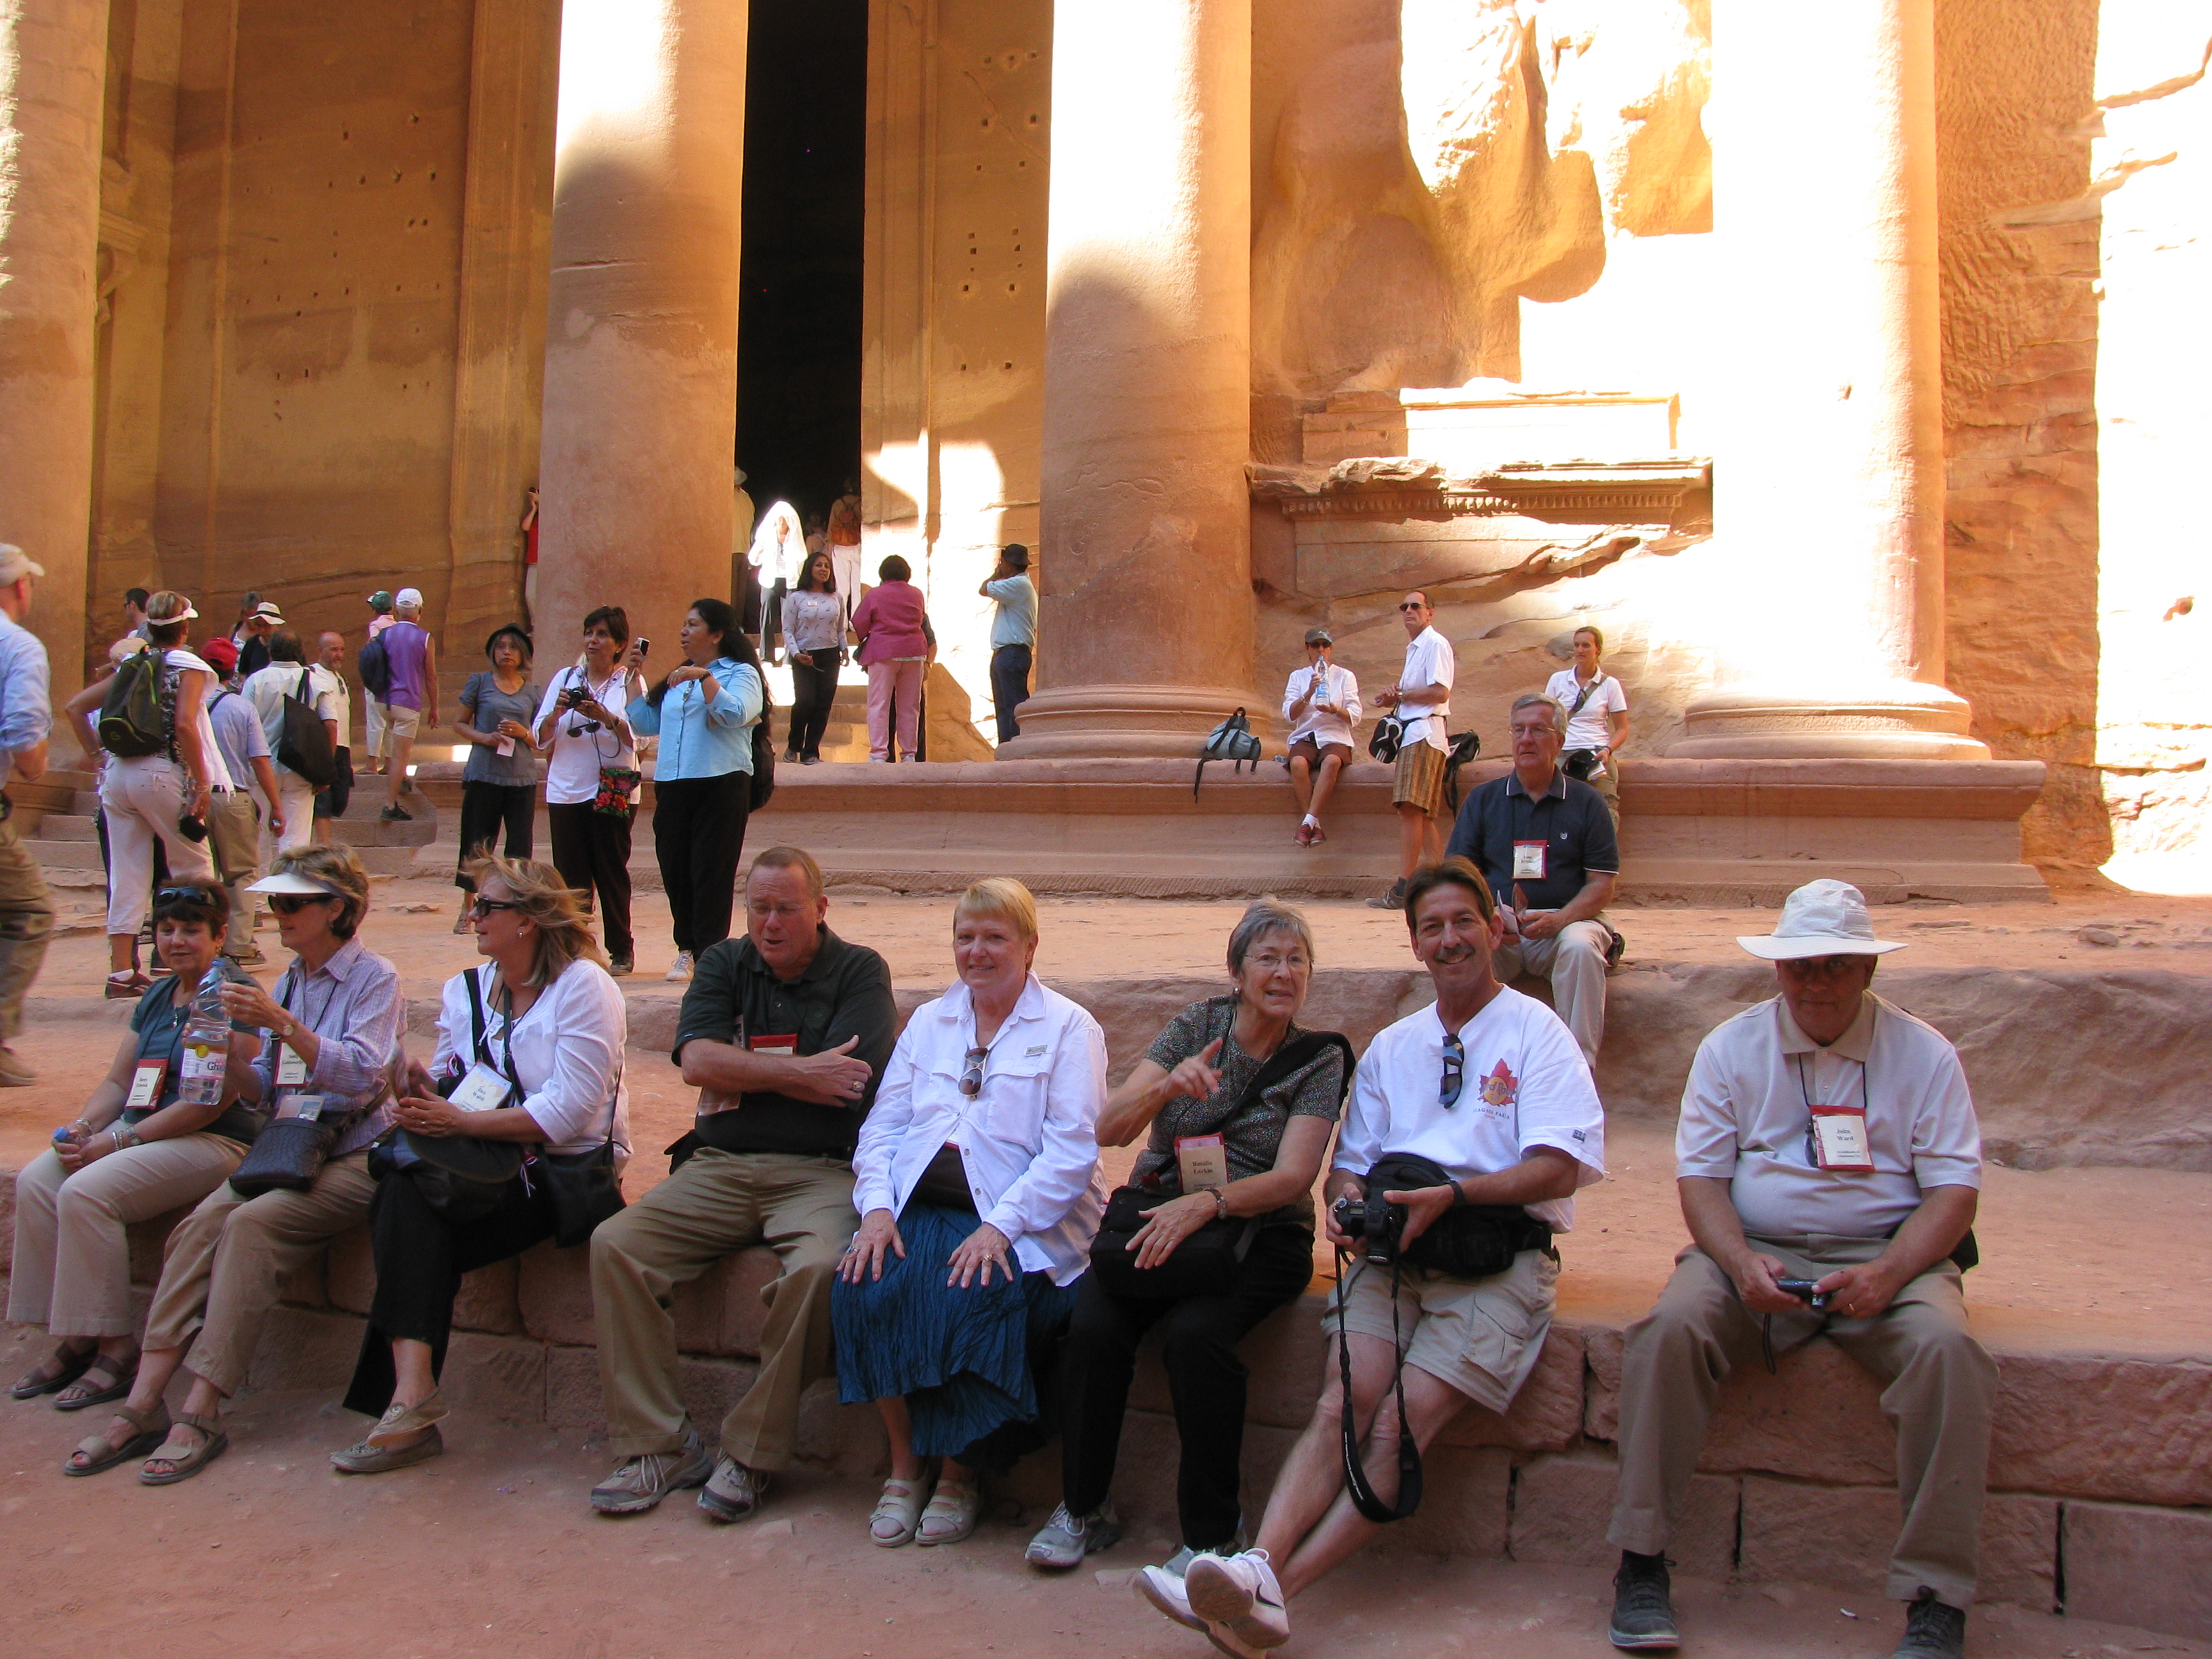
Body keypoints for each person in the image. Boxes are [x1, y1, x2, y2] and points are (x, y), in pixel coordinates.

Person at [1143, 858, 1605, 1654]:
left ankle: (1269, 1591)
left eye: (1464, 922)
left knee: (1395, 1427)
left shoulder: (1539, 1034)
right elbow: (1348, 1166)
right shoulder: (1395, 1046)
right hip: (1393, 1258)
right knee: (1341, 1405)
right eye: (1432, 928)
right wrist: (1347, 1206)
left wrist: (1454, 1197)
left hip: (1498, 1262)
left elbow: (1559, 1168)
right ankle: (1256, 1576)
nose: (1450, 940)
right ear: (1415, 944)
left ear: (1495, 928)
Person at [1605, 880, 1991, 1659]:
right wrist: (1740, 1262)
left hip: (1890, 1258)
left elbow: (1954, 1192)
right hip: (1754, 1252)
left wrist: (1890, 1272)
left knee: (1950, 1354)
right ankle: (1640, 1563)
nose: (1817, 982)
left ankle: (1937, 1597)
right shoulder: (1730, 1049)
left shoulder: (1926, 1054)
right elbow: (1702, 1182)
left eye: (1836, 965)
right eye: (1800, 966)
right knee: (1671, 1329)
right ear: (1778, 970)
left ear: (1868, 971)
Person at [1031, 900, 1347, 1573]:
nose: (1284, 973)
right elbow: (1109, 1128)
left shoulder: (1318, 1059)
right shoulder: (1197, 1025)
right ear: (1237, 971)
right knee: (1092, 1329)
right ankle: (1084, 1507)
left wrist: (1208, 1204)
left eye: (1297, 960)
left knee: (1196, 1336)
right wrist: (1165, 1089)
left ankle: (1212, 1534)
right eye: (1268, 958)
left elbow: (1293, 1177)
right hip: (1160, 1211)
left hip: (1260, 1232)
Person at [587, 845, 895, 1521]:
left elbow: (851, 1083)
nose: (770, 923)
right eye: (759, 909)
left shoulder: (860, 970)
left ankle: (752, 1452)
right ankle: (660, 1446)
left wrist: (747, 1069)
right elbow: (697, 1062)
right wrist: (801, 1073)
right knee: (617, 1245)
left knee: (820, 1272)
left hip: (822, 1172)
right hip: (720, 1165)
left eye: (786, 908)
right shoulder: (724, 963)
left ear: (820, 908)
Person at [89, 845, 401, 1483]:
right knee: (198, 1228)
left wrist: (281, 1023)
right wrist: (226, 1056)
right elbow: (263, 1088)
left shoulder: (376, 977)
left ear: (336, 909)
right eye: (276, 902)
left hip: (353, 1151)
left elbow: (362, 1075)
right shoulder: (290, 978)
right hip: (291, 1144)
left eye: (292, 903)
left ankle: (201, 1408)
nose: (278, 913)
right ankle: (143, 1402)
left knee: (249, 1228)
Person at [331, 855, 630, 1474]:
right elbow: (457, 1084)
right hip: (481, 1168)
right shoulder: (464, 991)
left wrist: (459, 1122)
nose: (474, 916)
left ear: (528, 919)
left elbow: (569, 1112)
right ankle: (411, 1398)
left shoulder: (583, 987)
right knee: (405, 1198)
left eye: (487, 906)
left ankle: (409, 1404)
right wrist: (424, 1091)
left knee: (407, 1211)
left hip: (558, 1176)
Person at [837, 877, 1106, 1548]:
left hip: (1020, 1219)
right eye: (965, 937)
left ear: (1030, 946)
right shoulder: (930, 1022)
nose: (977, 952)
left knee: (970, 1296)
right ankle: (906, 1468)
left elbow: (1071, 1154)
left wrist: (999, 1227)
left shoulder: (1070, 1028)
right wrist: (876, 1210)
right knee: (863, 1285)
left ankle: (960, 1475)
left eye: (994, 937)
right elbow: (883, 1127)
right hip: (919, 1204)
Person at [10, 882, 264, 1467]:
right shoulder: (157, 995)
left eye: (191, 930)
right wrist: (83, 1128)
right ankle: (75, 1333)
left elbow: (206, 1104)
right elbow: (119, 1081)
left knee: (86, 1191)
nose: (177, 941)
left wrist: (116, 1141)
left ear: (219, 936)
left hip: (211, 1140)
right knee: (38, 1180)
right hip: (138, 1129)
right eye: (167, 930)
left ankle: (115, 1348)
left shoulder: (231, 995)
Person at [1443, 691, 1620, 1069]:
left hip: (1566, 923)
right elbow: (1458, 876)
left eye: (1538, 730)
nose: (1526, 739)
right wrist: (1488, 918)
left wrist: (1561, 919)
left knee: (1581, 948)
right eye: (1518, 730)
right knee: (1461, 944)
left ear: (1559, 741)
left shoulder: (1589, 803)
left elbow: (1602, 885)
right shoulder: (1483, 800)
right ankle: (1469, 1066)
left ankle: (1577, 1070)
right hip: (1498, 927)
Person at [626, 598, 764, 984]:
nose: (684, 632)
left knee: (711, 869)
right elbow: (644, 723)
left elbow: (736, 714)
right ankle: (686, 947)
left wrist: (705, 679)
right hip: (674, 782)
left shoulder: (740, 673)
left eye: (693, 625)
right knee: (675, 867)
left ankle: (709, 955)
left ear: (716, 634)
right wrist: (633, 679)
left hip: (721, 782)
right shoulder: (677, 677)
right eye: (684, 625)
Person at [96, 591, 222, 1001]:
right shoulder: (187, 665)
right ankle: (192, 963)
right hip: (160, 769)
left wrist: (96, 757)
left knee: (127, 871)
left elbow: (76, 707)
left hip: (118, 771)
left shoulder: (134, 663)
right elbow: (184, 725)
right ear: (184, 628)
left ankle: (121, 972)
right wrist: (201, 782)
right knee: (193, 865)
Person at [533, 606, 645, 977]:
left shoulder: (630, 681)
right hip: (566, 787)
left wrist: (605, 717)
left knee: (611, 869)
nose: (593, 641)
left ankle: (621, 949)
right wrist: (557, 713)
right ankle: (576, 946)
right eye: (589, 633)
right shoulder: (565, 678)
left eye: (602, 635)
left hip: (614, 785)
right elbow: (539, 735)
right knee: (570, 873)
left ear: (620, 644)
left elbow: (641, 737)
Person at [0, 545, 56, 1082]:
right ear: (20, 586)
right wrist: (38, 757)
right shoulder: (18, 647)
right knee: (29, 910)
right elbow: (25, 746)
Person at [450, 624, 542, 934]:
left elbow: (541, 739)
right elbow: (459, 723)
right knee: (476, 842)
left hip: (520, 778)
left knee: (519, 845)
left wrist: (523, 733)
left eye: (513, 647)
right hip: (484, 773)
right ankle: (468, 906)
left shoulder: (533, 692)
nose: (506, 652)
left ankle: (515, 906)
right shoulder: (480, 682)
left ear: (523, 654)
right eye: (501, 647)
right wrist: (485, 737)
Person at [1366, 592, 1454, 911]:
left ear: (1430, 613)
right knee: (1422, 815)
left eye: (1416, 606)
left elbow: (1440, 691)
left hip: (1423, 733)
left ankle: (1405, 887)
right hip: (1419, 734)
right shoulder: (1417, 648)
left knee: (1409, 809)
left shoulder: (1435, 644)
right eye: (1404, 606)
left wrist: (1401, 695)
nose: (1408, 610)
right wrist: (1395, 698)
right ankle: (1446, 884)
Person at [201, 641, 282, 964]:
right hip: (232, 795)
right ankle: (238, 945)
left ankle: (202, 943)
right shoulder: (240, 707)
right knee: (242, 873)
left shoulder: (185, 703)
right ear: (232, 671)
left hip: (193, 796)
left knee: (201, 875)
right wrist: (275, 804)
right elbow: (259, 760)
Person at [243, 630, 341, 865]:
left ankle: (261, 884)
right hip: (300, 766)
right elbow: (330, 725)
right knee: (296, 837)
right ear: (300, 651)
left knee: (258, 834)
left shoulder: (256, 681)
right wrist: (324, 770)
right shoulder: (316, 681)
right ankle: (291, 883)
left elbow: (243, 721)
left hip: (262, 766)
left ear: (270, 651)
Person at [1281, 626, 1361, 847]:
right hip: (1307, 735)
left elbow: (1355, 715)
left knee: (1332, 762)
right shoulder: (1298, 676)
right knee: (1297, 764)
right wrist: (1308, 693)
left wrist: (1335, 709)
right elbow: (1289, 714)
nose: (1321, 650)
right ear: (1307, 648)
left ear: (1331, 649)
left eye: (1325, 645)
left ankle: (1306, 824)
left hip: (1335, 735)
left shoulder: (1344, 676)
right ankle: (1314, 826)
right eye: (1316, 645)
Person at [1544, 625, 1629, 826]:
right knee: (1554, 813)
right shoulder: (1558, 680)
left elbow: (1622, 729)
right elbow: (1545, 719)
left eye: (1586, 645)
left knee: (1606, 812)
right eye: (1576, 645)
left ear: (1597, 649)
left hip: (1596, 754)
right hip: (1562, 753)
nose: (1580, 650)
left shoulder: (1610, 685)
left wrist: (1608, 750)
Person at [851, 554, 933, 763]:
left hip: (883, 651)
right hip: (914, 652)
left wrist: (869, 636)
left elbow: (859, 622)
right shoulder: (917, 594)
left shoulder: (875, 594)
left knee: (879, 704)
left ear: (883, 573)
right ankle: (909, 753)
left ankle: (879, 753)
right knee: (910, 706)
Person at [377, 588, 439, 823]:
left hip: (383, 700)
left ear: (396, 609)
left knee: (393, 739)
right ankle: (390, 803)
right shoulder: (424, 638)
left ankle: (400, 777)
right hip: (407, 701)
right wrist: (434, 707)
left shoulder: (384, 634)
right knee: (401, 754)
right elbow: (430, 677)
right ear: (420, 610)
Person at [782, 550, 844, 764]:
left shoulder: (836, 597)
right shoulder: (796, 598)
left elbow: (840, 628)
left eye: (827, 566)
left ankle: (810, 751)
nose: (823, 569)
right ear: (810, 569)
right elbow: (788, 629)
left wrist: (844, 649)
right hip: (804, 655)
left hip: (830, 655)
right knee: (805, 701)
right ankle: (794, 744)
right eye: (819, 565)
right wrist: (796, 653)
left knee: (823, 704)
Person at [979, 544, 1036, 744]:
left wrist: (997, 573)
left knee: (1012, 706)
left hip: (1012, 653)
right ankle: (1008, 747)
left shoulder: (1017, 584)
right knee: (1005, 707)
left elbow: (984, 589)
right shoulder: (1018, 585)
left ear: (1009, 564)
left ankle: (1017, 747)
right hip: (1008, 653)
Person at [747, 501, 806, 665]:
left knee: (790, 621)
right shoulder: (766, 536)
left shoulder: (794, 537)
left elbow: (802, 558)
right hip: (770, 581)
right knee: (767, 619)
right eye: (779, 520)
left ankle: (790, 657)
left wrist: (797, 577)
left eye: (784, 520)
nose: (782, 523)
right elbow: (753, 559)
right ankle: (766, 656)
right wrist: (760, 552)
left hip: (790, 582)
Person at [311, 630, 356, 840]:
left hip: (342, 747)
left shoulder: (340, 678)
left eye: (342, 650)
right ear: (320, 651)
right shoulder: (312, 675)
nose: (339, 654)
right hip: (322, 746)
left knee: (340, 798)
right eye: (333, 649)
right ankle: (323, 846)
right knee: (323, 801)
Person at [362, 591, 397, 773]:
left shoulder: (376, 626)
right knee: (391, 722)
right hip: (394, 679)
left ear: (375, 609)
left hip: (377, 678)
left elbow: (373, 647)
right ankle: (389, 762)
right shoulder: (398, 627)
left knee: (375, 721)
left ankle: (372, 763)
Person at [827, 483, 863, 633]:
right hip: (857, 546)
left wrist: (829, 545)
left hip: (840, 547)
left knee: (842, 587)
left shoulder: (838, 504)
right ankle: (855, 623)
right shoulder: (861, 503)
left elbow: (831, 527)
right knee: (857, 587)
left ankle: (841, 623)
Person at [234, 598, 284, 680]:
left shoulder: (287, 645)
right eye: (259, 625)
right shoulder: (251, 644)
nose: (262, 630)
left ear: (278, 626)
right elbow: (242, 673)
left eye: (267, 626)